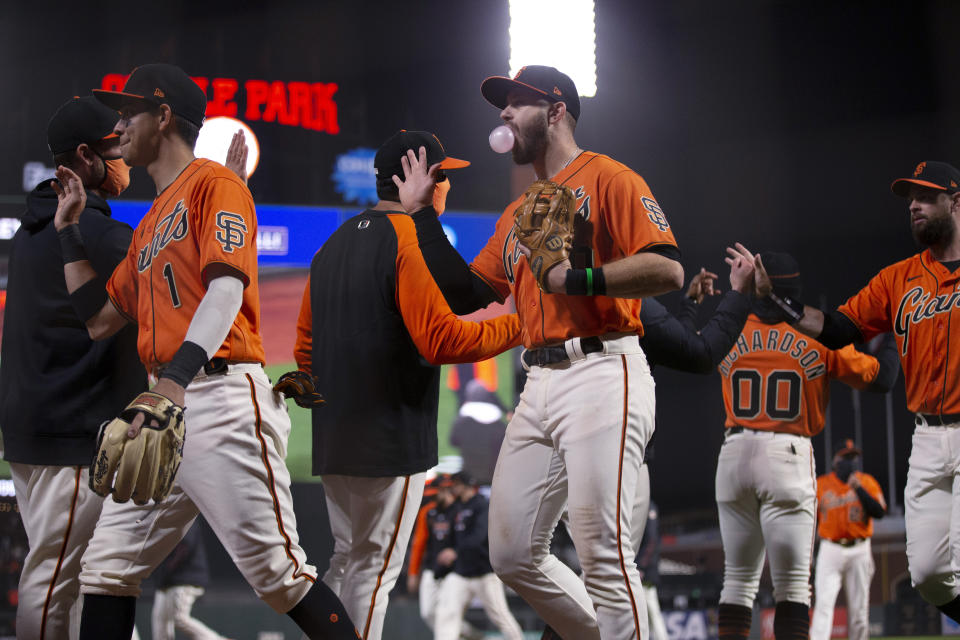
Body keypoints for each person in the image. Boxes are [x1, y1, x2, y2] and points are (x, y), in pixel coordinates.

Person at [51, 63, 357, 640]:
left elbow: (226, 287)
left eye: (128, 111)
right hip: (169, 404)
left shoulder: (214, 185)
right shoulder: (148, 225)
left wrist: (174, 380)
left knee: (280, 577)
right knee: (106, 570)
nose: (117, 125)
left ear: (164, 116)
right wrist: (68, 231)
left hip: (218, 396)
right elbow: (97, 319)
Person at [395, 64, 684, 639]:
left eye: (516, 103)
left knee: (602, 551)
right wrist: (423, 215)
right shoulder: (519, 211)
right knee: (511, 552)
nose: (503, 114)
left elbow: (667, 268)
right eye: (502, 105)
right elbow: (464, 292)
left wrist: (574, 280)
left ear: (555, 111)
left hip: (603, 367)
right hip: (539, 385)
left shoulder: (610, 178)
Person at [289, 129, 520, 640]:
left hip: (334, 436)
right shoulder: (406, 238)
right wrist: (521, 325)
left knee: (347, 560)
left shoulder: (331, 243)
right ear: (425, 179)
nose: (447, 187)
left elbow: (304, 347)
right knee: (373, 571)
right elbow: (440, 340)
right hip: (389, 438)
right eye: (444, 176)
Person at [0, 96, 145, 640]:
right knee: (57, 576)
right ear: (84, 158)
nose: (126, 153)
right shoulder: (102, 237)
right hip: (75, 433)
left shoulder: (28, 232)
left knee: (71, 570)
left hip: (34, 429)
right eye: (116, 145)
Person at [713, 252, 898, 640]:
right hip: (788, 453)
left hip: (733, 453)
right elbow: (881, 380)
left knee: (737, 581)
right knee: (794, 587)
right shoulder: (815, 334)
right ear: (793, 291)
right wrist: (897, 334)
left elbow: (694, 347)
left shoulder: (729, 326)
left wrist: (695, 303)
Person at [810, 440, 886, 640]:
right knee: (823, 606)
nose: (850, 461)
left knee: (859, 612)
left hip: (859, 549)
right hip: (830, 549)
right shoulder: (821, 484)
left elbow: (879, 512)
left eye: (852, 457)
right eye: (845, 457)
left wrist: (858, 488)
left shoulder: (866, 482)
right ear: (835, 460)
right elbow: (809, 522)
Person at [434, 472, 524, 640]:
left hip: (484, 572)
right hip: (461, 572)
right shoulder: (458, 507)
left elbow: (479, 536)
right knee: (447, 614)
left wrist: (455, 551)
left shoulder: (481, 504)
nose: (453, 487)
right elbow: (451, 536)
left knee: (500, 616)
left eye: (455, 484)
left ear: (464, 485)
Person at [407, 476, 484, 640]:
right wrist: (413, 572)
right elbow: (419, 544)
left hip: (454, 571)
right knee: (427, 613)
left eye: (436, 493)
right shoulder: (428, 512)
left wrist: (457, 553)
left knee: (446, 614)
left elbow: (469, 538)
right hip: (431, 568)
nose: (433, 497)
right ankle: (471, 636)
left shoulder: (460, 510)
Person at [150, 519, 232, 640]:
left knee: (178, 618)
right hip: (166, 581)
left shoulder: (186, 518)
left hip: (183, 579)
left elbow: (184, 547)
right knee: (160, 620)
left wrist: (167, 569)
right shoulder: (162, 520)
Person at [450, 379, 509, 486]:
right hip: (492, 478)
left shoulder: (461, 422)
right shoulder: (499, 424)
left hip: (468, 479)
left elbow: (453, 441)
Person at [635, 502, 668, 640]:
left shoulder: (648, 505)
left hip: (645, 572)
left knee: (651, 612)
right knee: (645, 614)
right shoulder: (639, 503)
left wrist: (641, 567)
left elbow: (652, 540)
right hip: (639, 569)